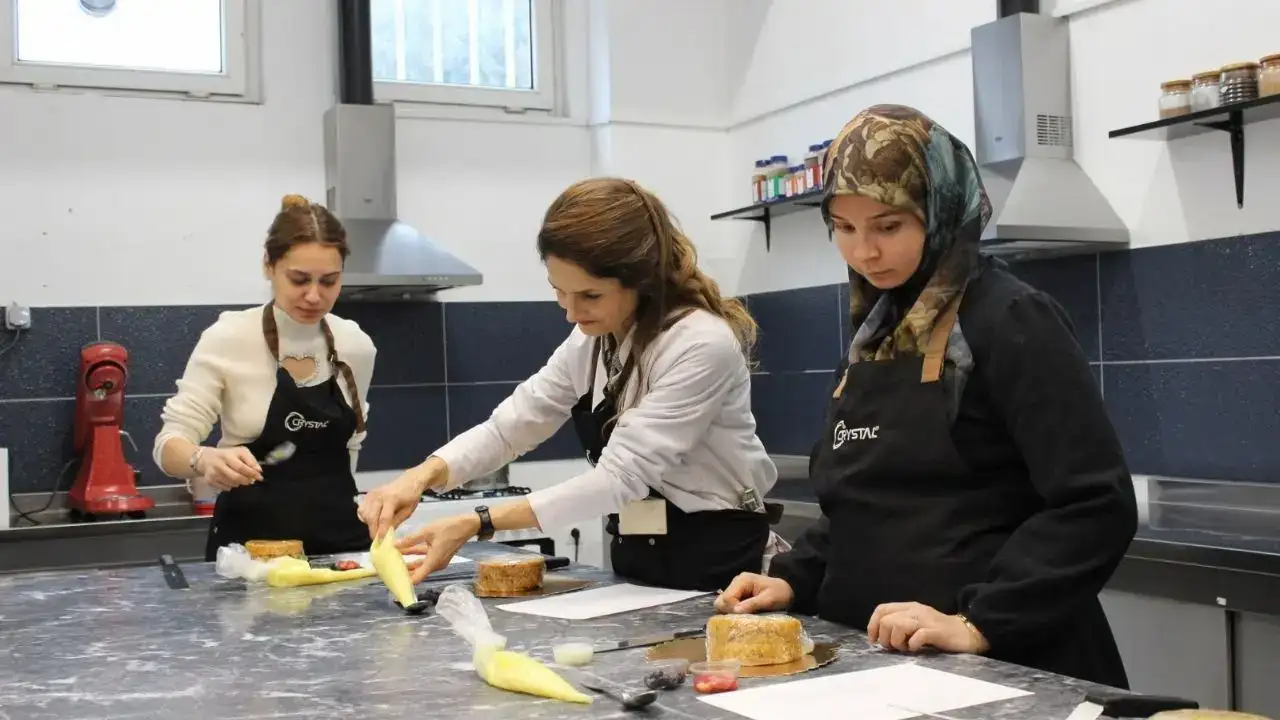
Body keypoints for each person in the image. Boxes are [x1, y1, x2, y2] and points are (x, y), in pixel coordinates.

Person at [713, 105, 1137, 688]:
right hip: (877, 662)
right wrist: (794, 576)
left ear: (941, 212)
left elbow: (1093, 505)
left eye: (888, 227)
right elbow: (863, 503)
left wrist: (979, 622)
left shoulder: (1009, 318)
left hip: (998, 666)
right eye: (844, 227)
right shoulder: (877, 334)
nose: (864, 252)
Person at [358, 177, 781, 592]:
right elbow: (511, 427)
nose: (571, 312)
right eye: (559, 292)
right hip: (640, 555)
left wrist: (479, 520)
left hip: (718, 558)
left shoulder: (700, 343)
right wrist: (417, 477)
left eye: (590, 296)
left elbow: (620, 478)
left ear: (642, 279)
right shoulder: (595, 339)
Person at [153, 194, 377, 562]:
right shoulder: (228, 338)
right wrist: (203, 459)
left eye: (329, 282)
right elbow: (168, 445)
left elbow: (351, 446)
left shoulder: (356, 346)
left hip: (341, 550)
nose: (313, 296)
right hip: (248, 557)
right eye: (299, 279)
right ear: (268, 267)